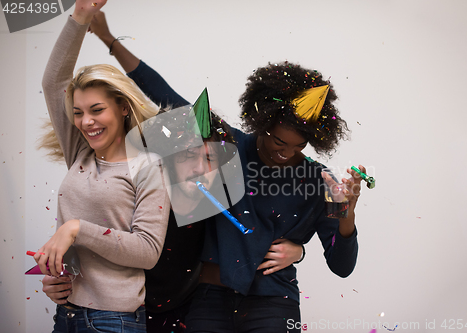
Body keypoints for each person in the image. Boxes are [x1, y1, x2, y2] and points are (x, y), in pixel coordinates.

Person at [41, 11, 305, 333]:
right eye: (188, 156)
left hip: (175, 310)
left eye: (210, 160)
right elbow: (156, 88)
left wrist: (299, 249)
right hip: (119, 306)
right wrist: (109, 39)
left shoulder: (217, 199)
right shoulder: (152, 171)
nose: (198, 168)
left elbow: (266, 218)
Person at [123, 59, 365, 332]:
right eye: (279, 141)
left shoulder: (321, 182)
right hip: (208, 300)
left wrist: (347, 212)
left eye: (299, 146)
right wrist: (110, 41)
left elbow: (342, 266)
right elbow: (165, 94)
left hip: (274, 303)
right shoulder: (226, 146)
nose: (286, 153)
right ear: (263, 123)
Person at [34, 1, 170, 332]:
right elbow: (54, 83)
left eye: (97, 110)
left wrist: (76, 228)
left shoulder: (148, 166)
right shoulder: (80, 153)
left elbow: (147, 251)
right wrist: (80, 15)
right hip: (67, 314)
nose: (86, 122)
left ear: (123, 107)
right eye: (78, 112)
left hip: (113, 321)